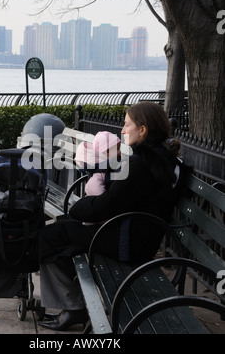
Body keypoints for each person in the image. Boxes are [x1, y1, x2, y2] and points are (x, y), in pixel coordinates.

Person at [37, 101, 191, 332]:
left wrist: (77, 207)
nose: (122, 130)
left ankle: (73, 307)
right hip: (135, 234)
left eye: (126, 124)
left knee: (51, 235)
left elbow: (105, 206)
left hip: (128, 242)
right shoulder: (161, 159)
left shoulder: (143, 163)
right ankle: (72, 305)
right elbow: (118, 199)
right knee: (62, 231)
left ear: (143, 129)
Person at [74, 131, 121, 197]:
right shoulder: (99, 173)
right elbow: (97, 195)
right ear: (106, 152)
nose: (120, 152)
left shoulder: (110, 165)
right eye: (117, 149)